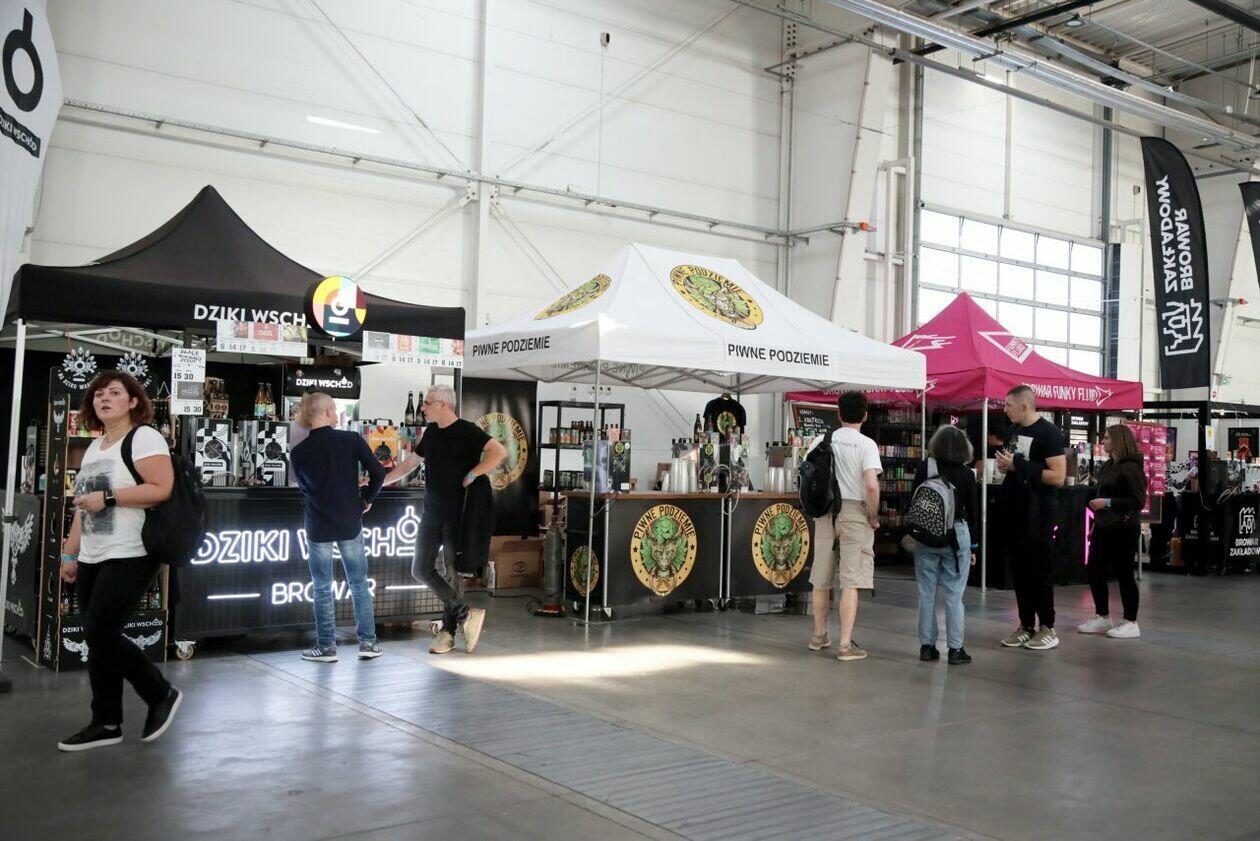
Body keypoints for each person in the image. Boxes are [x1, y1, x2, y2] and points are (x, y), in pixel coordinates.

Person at [57, 371, 181, 752]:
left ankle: (160, 692)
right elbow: (83, 506)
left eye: (114, 392)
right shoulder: (96, 447)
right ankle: (106, 721)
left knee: (101, 632)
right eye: (98, 394)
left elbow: (162, 488)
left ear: (133, 401)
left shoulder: (144, 438)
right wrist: (70, 553)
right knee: (96, 640)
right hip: (93, 555)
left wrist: (109, 498)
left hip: (131, 552)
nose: (104, 398)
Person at [384, 384, 507, 655]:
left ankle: (448, 633)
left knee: (453, 573)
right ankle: (466, 614)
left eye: (427, 403)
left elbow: (499, 452)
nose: (423, 408)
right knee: (420, 569)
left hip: (457, 514)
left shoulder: (468, 431)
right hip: (431, 513)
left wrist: (474, 474)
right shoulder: (430, 433)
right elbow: (410, 464)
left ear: (444, 405)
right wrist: (380, 482)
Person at [289, 392, 387, 663]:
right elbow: (379, 473)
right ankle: (368, 642)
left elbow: (306, 488)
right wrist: (365, 499)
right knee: (358, 583)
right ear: (329, 412)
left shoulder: (298, 452)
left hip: (317, 524)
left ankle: (326, 647)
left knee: (322, 587)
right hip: (349, 520)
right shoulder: (351, 440)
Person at [806, 391, 880, 662]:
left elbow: (806, 475)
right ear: (865, 416)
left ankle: (818, 636)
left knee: (821, 578)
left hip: (825, 512)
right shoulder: (866, 445)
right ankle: (846, 645)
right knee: (851, 580)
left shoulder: (821, 440)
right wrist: (873, 516)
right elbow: (871, 486)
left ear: (838, 414)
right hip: (854, 513)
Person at [995, 385, 1067, 651]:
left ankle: (1047, 626)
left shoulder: (1048, 433)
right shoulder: (1013, 430)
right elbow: (1016, 467)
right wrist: (1007, 467)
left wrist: (1018, 465)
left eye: (1008, 405)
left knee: (1039, 569)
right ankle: (1026, 624)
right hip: (1016, 508)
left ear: (1024, 406)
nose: (1005, 409)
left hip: (1041, 512)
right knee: (1020, 569)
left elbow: (1058, 476)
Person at [913, 425, 978, 665]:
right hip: (956, 537)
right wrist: (974, 547)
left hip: (927, 535)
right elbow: (973, 511)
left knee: (926, 592)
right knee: (954, 593)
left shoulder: (925, 468)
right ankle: (956, 649)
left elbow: (914, 503)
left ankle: (927, 646)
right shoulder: (967, 474)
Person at [1079, 424, 1146, 640]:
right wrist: (1096, 523)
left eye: (1107, 438)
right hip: (1104, 526)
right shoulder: (1109, 465)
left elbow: (1138, 500)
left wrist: (1107, 502)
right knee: (1095, 568)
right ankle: (1102, 615)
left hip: (1125, 528)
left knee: (1124, 573)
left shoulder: (1131, 468)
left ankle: (1131, 621)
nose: (1103, 441)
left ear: (1118, 440)